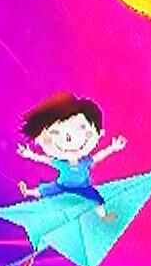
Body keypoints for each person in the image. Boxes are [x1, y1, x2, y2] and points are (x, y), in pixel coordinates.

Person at [15, 92, 127, 220]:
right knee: (45, 190)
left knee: (97, 199)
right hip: (63, 186)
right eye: (55, 133)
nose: (69, 140)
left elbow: (99, 156)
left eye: (82, 128)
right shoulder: (61, 163)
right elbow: (45, 159)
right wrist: (30, 154)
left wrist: (113, 148)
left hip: (83, 187)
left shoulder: (85, 162)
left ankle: (104, 216)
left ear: (99, 133)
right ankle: (28, 191)